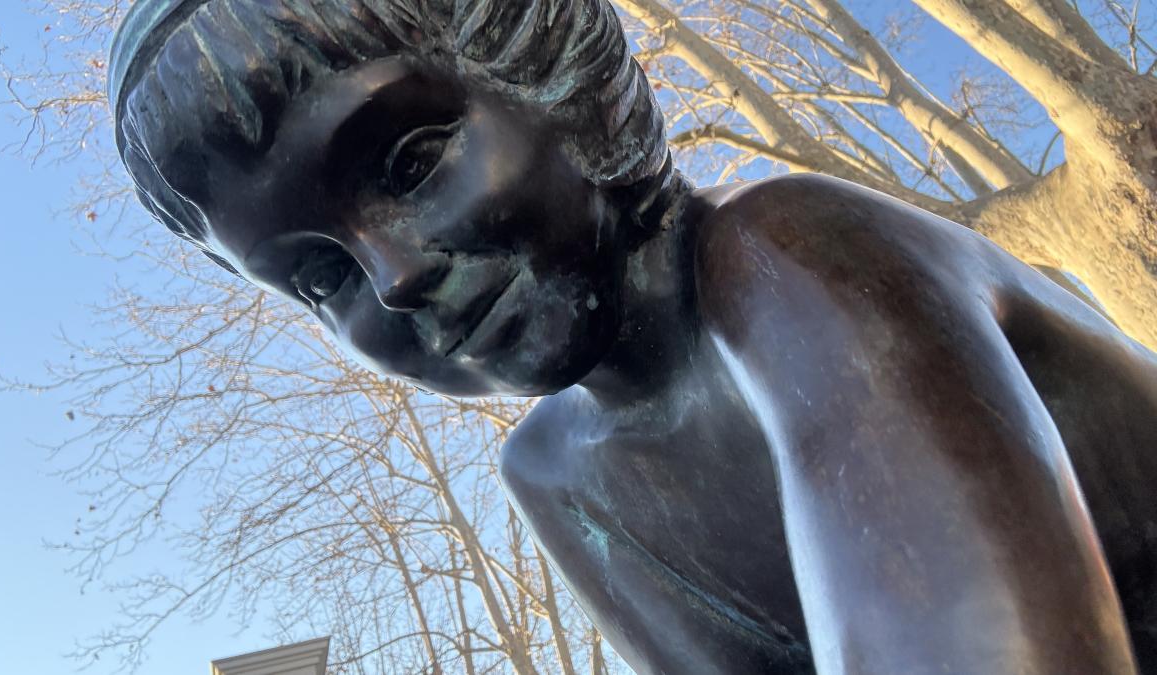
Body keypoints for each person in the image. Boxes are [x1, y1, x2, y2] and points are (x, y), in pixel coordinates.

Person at [110, 1, 1157, 672]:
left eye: (412, 162)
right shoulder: (553, 472)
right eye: (323, 276)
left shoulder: (793, 250)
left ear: (547, 77)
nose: (396, 277)